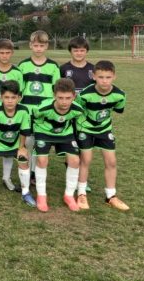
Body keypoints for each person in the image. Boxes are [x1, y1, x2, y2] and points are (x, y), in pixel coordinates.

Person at [75, 60, 129, 211]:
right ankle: (81, 193)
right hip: (85, 129)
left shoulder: (120, 95)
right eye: (101, 77)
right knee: (86, 160)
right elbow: (78, 111)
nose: (104, 81)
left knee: (111, 162)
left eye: (108, 77)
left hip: (104, 130)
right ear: (94, 76)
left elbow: (117, 110)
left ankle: (110, 196)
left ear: (114, 77)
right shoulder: (85, 94)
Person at [31, 78, 86, 212]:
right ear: (54, 95)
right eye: (60, 98)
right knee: (42, 160)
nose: (64, 102)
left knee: (75, 160)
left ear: (74, 96)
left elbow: (78, 123)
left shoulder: (78, 109)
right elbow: (33, 118)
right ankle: (41, 195)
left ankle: (69, 195)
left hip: (65, 133)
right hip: (43, 132)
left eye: (68, 98)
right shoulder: (43, 108)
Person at [18, 30, 61, 184]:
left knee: (40, 142)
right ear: (30, 45)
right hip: (27, 111)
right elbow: (19, 90)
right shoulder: (23, 65)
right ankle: (27, 171)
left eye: (41, 45)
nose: (38, 48)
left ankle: (35, 172)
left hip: (44, 111)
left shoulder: (53, 66)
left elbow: (56, 90)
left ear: (46, 46)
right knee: (28, 142)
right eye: (35, 45)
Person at [0, 81, 32, 207]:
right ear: (1, 97)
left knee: (23, 159)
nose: (10, 101)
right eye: (6, 97)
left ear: (19, 98)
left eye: (13, 97)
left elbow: (24, 131)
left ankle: (26, 192)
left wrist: (21, 148)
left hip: (14, 143)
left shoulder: (24, 110)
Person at [60, 36, 95, 191]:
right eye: (76, 50)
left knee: (83, 146)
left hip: (86, 115)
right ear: (70, 51)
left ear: (86, 51)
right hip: (68, 113)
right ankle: (73, 176)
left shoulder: (93, 69)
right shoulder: (63, 69)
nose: (79, 53)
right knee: (70, 145)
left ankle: (82, 179)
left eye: (82, 50)